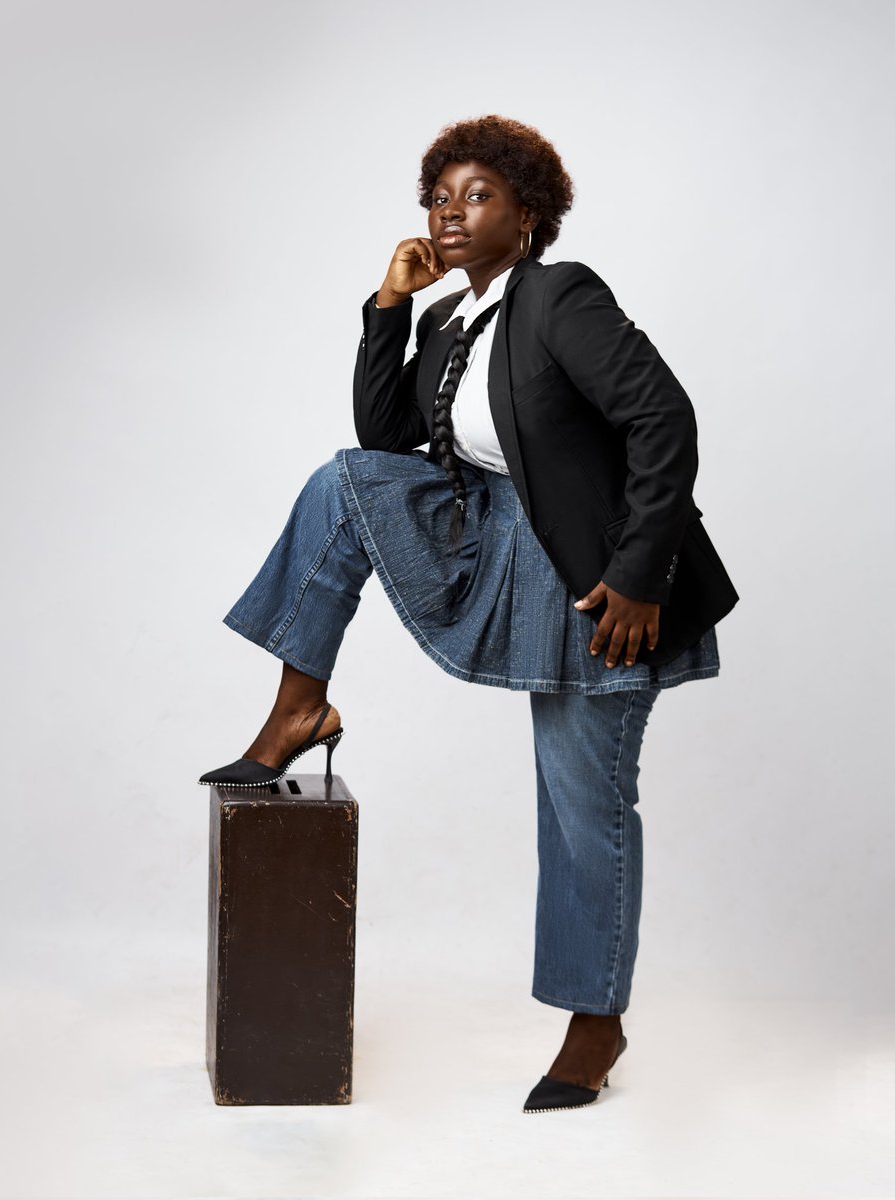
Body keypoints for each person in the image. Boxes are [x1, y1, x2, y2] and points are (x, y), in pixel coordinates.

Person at [199, 114, 739, 1113]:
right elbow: (389, 438)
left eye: (477, 195)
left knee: (583, 802)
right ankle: (299, 702)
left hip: (594, 572)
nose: (451, 213)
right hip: (488, 543)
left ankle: (594, 1022)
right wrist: (390, 308)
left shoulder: (558, 297)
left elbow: (663, 419)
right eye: (439, 199)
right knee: (346, 479)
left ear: (528, 217)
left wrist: (639, 576)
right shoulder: (454, 322)